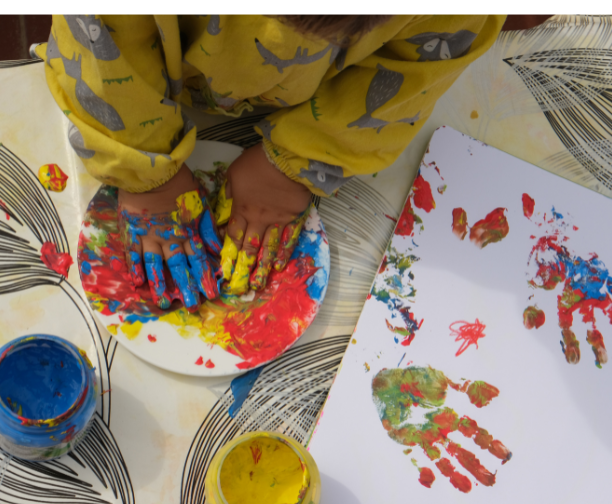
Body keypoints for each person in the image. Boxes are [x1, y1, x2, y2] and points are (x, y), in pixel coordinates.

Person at [34, 15, 505, 310]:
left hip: (318, 98)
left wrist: (298, 160)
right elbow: (99, 45)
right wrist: (143, 167)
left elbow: (409, 74)